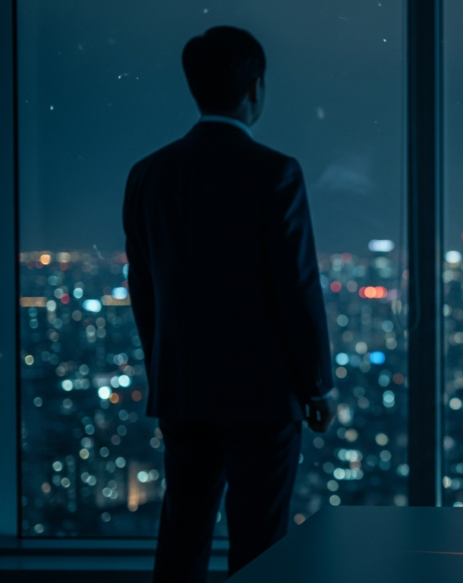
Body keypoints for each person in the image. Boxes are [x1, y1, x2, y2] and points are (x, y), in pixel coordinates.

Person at [123, 26, 336, 582]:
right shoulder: (275, 173)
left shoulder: (147, 175)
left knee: (182, 534)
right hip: (263, 395)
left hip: (183, 389)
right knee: (260, 544)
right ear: (255, 88)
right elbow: (298, 287)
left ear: (195, 87)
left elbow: (143, 290)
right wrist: (317, 383)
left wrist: (163, 370)